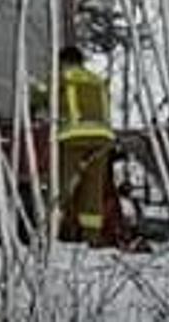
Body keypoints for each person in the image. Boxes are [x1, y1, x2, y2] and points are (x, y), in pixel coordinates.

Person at [37, 45, 116, 243]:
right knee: (93, 190)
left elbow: (40, 98)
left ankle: (49, 233)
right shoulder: (97, 80)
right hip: (102, 139)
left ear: (63, 61)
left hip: (74, 137)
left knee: (61, 187)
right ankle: (92, 237)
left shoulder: (62, 78)